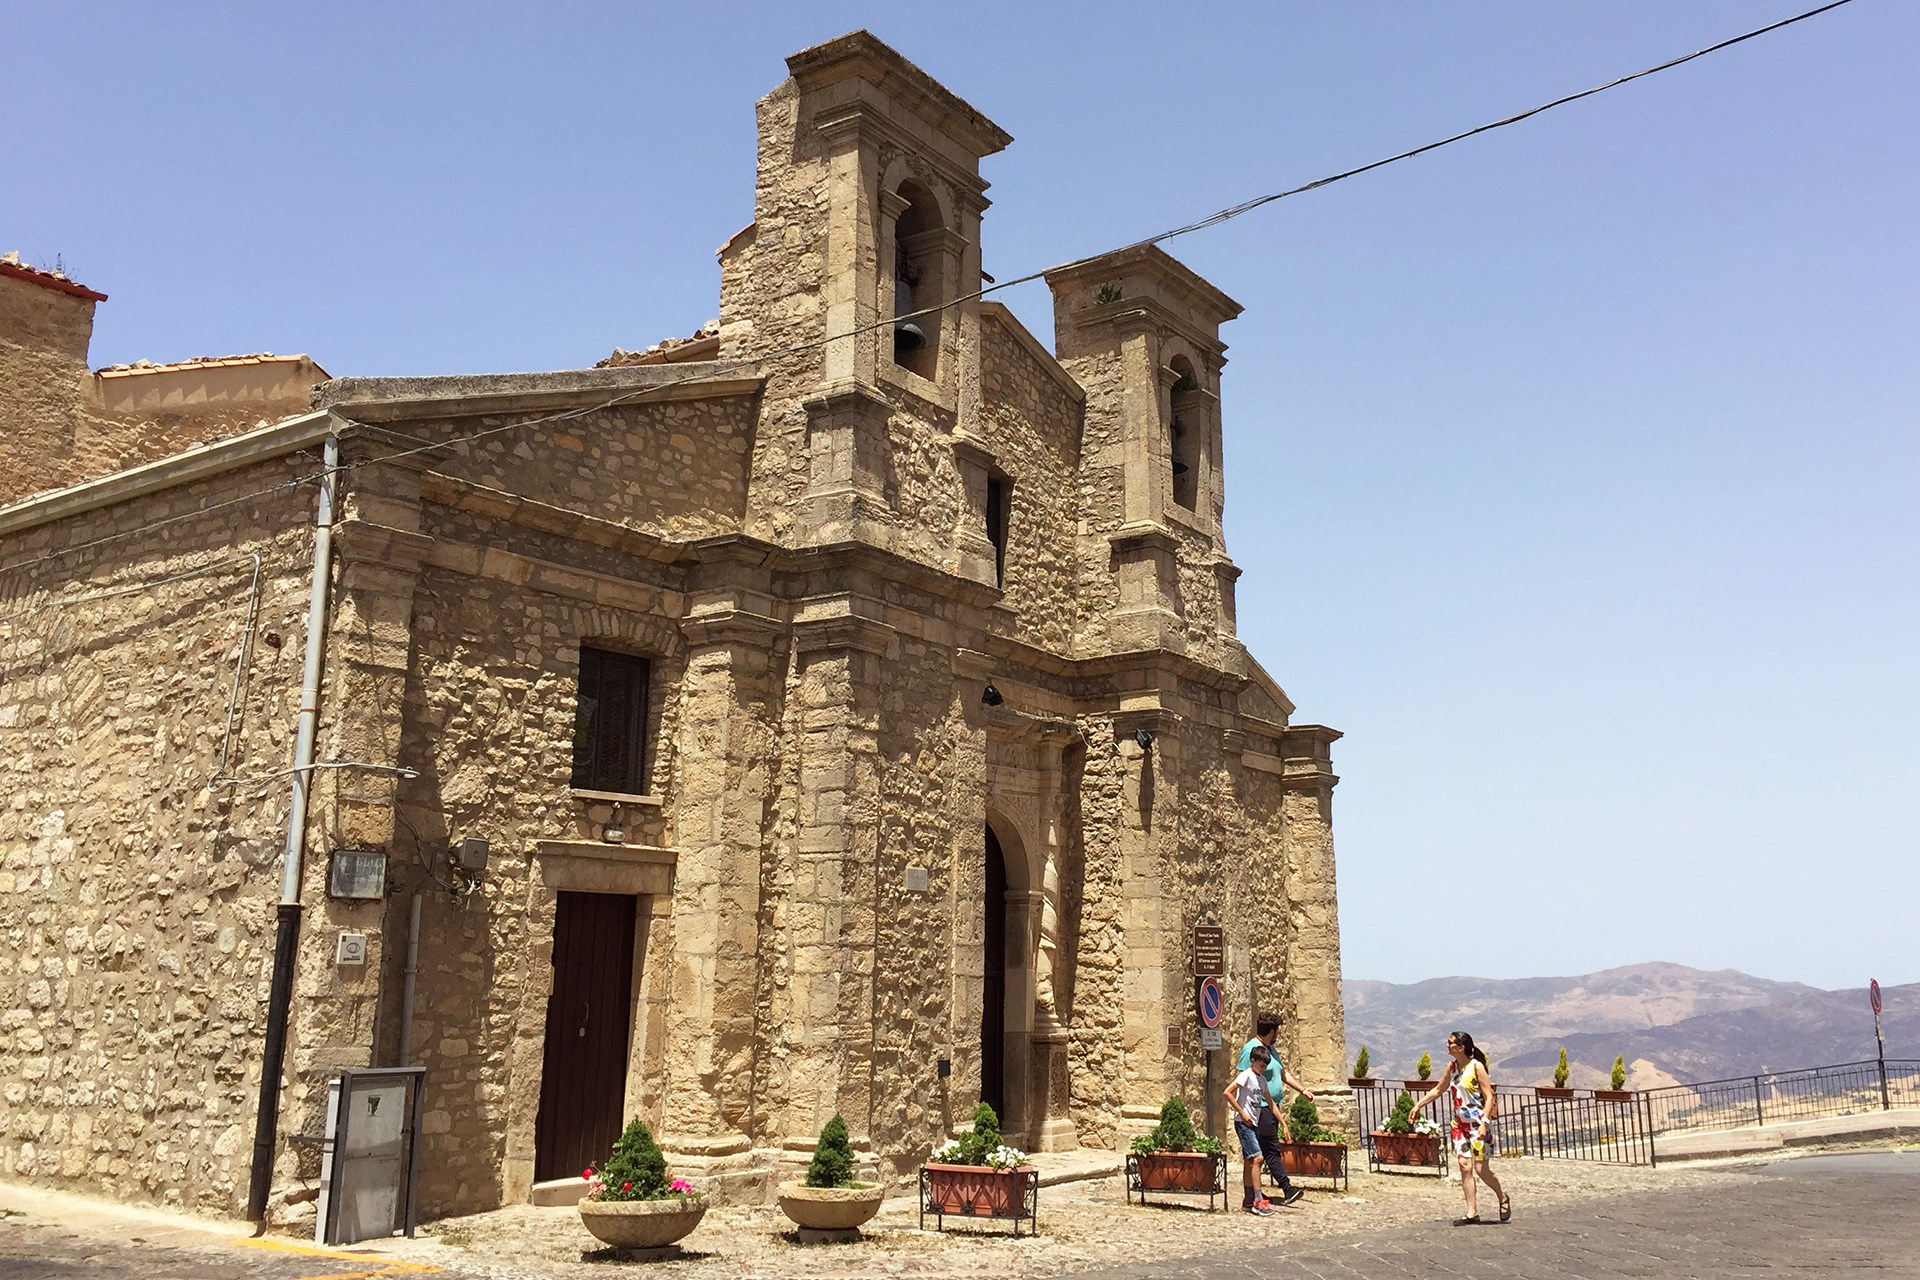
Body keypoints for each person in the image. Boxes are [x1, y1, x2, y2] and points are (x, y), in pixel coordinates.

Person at [1409, 1030, 1510, 1225]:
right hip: (1459, 1125)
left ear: (1461, 1047)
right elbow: (1439, 1089)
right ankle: (1472, 1212)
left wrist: (1484, 1122)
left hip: (1479, 1125)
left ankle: (1502, 1196)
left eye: (1450, 1043)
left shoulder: (1476, 1067)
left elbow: (1489, 1096)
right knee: (1465, 1166)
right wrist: (1419, 1104)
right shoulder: (1452, 1067)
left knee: (1481, 1169)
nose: (1447, 1046)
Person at [1236, 1011, 1310, 1205]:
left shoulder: (1270, 1049)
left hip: (1271, 1106)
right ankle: (1286, 1188)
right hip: (1259, 1108)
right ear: (1271, 1031)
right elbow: (1243, 1079)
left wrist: (1302, 1090)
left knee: (1255, 1154)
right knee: (1268, 1150)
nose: (1278, 1035)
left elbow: (1283, 1074)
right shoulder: (1251, 1049)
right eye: (1276, 1031)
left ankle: (1251, 1195)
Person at [1224, 1043, 1283, 1215]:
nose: (1263, 1069)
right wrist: (1242, 1113)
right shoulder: (1246, 1076)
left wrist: (1283, 1123)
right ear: (1253, 1061)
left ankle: (1248, 1198)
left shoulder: (1262, 1080)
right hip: (1244, 1123)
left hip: (1254, 1123)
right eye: (1261, 1065)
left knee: (1249, 1162)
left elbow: (1270, 1103)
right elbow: (1227, 1092)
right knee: (1258, 1158)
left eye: (1265, 1066)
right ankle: (1258, 1200)